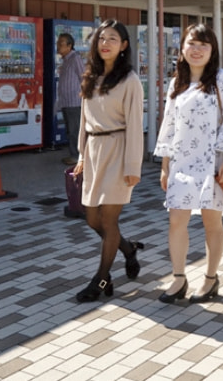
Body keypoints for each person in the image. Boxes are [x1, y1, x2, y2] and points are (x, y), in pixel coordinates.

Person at [154, 23, 223, 305]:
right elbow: (168, 124)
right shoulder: (176, 82)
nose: (197, 49)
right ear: (182, 48)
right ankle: (178, 278)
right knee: (176, 219)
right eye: (192, 43)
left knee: (210, 221)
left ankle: (210, 278)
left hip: (212, 161)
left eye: (204, 44)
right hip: (181, 161)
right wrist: (165, 164)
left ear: (213, 49)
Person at [72, 19, 146, 302]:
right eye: (102, 38)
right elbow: (84, 119)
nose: (106, 43)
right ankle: (128, 250)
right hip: (93, 151)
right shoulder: (90, 75)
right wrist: (81, 153)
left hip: (118, 150)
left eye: (113, 39)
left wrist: (132, 166)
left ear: (124, 45)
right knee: (92, 219)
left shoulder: (130, 81)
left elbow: (136, 126)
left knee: (108, 218)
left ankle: (102, 279)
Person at [55, 32, 86, 166]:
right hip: (66, 102)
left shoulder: (75, 59)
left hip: (74, 101)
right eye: (58, 43)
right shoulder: (66, 60)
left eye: (61, 44)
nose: (58, 46)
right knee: (70, 130)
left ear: (69, 46)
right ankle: (74, 154)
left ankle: (77, 156)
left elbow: (83, 77)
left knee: (74, 130)